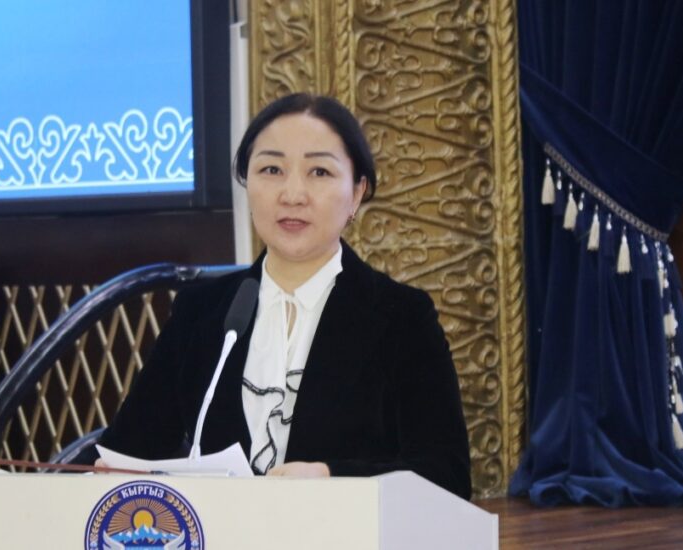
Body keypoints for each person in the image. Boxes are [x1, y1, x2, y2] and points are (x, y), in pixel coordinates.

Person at [96, 93, 472, 499]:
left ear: (357, 192)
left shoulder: (402, 317)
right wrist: (108, 474)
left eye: (319, 172)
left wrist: (331, 477)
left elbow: (446, 475)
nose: (293, 194)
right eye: (271, 169)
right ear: (247, 183)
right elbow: (128, 452)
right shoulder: (201, 312)